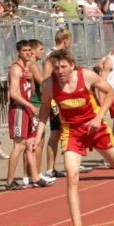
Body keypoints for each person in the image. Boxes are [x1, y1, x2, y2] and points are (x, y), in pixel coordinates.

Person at [33, 49, 114, 226]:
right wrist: (39, 134)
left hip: (94, 127)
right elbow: (45, 109)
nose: (59, 71)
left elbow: (111, 93)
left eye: (63, 67)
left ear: (72, 66)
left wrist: (98, 117)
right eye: (56, 68)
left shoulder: (86, 76)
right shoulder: (48, 85)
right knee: (72, 175)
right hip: (72, 132)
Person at [5, 40, 53, 190]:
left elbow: (30, 89)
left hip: (27, 109)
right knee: (18, 146)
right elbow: (13, 93)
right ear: (19, 52)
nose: (27, 53)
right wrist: (30, 105)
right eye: (24, 50)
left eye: (29, 50)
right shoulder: (16, 69)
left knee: (32, 144)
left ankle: (35, 177)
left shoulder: (27, 69)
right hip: (19, 109)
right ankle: (9, 181)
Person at [43, 28, 73, 179]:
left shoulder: (63, 55)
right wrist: (53, 100)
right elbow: (46, 78)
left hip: (65, 96)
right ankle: (50, 168)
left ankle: (69, 161)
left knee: (63, 130)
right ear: (66, 41)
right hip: (56, 98)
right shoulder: (52, 56)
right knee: (56, 132)